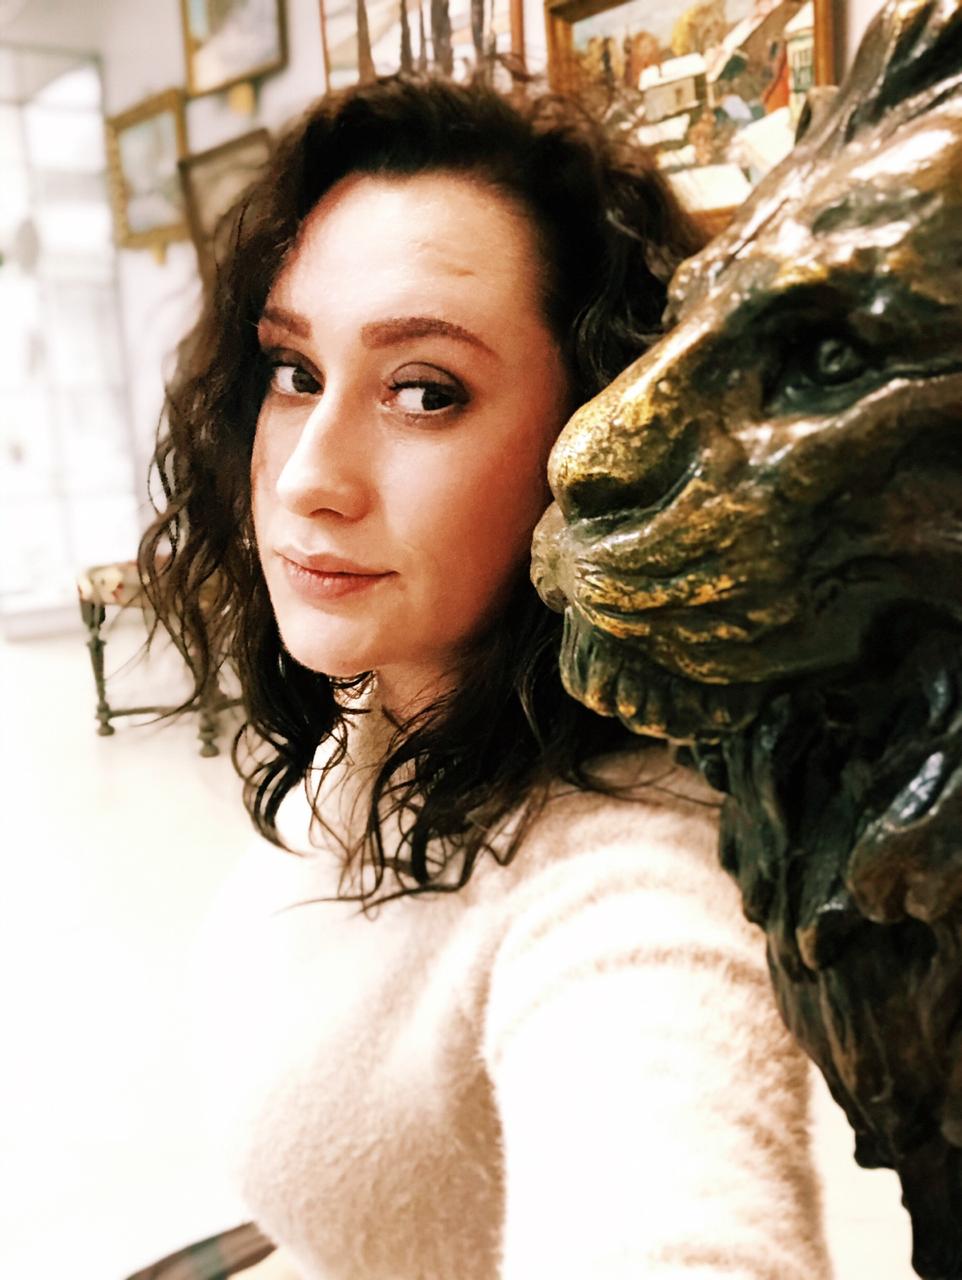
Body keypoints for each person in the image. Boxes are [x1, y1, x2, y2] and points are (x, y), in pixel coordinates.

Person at [141, 74, 831, 1279]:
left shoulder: (629, 874)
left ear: (594, 436)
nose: (306, 476)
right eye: (294, 370)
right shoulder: (390, 703)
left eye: (423, 392)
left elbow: (671, 1197)